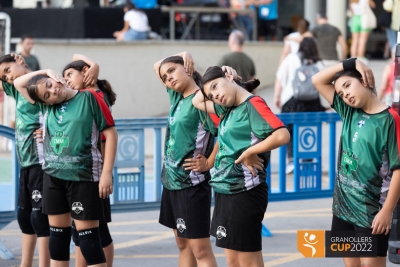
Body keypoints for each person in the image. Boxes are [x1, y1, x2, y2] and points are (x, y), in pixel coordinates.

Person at [14, 68, 118, 267]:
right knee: (58, 240)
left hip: (84, 177)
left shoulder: (90, 97)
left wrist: (107, 173)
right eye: (47, 95)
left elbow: (111, 135)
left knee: (88, 241)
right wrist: (44, 72)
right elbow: (19, 83)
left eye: (50, 85)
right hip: (53, 177)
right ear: (45, 102)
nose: (53, 91)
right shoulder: (47, 108)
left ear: (56, 80)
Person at [192, 66, 289, 267]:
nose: (216, 95)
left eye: (216, 86)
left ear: (229, 77)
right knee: (233, 260)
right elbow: (196, 100)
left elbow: (281, 135)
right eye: (212, 94)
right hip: (225, 190)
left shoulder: (252, 104)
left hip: (245, 191)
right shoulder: (227, 108)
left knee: (248, 261)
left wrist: (250, 152)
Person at [312, 58, 400, 267]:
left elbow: (398, 169)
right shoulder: (349, 112)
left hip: (372, 212)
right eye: (341, 93)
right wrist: (351, 63)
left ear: (366, 80)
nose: (346, 95)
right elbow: (317, 80)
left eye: (348, 86)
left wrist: (387, 210)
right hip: (342, 209)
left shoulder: (390, 119)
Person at [154, 51, 219, 267]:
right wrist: (180, 55)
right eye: (165, 77)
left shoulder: (202, 100)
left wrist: (208, 162)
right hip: (171, 182)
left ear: (187, 68)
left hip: (191, 184)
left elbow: (226, 130)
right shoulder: (176, 96)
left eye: (173, 71)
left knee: (200, 249)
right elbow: (157, 65)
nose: (168, 78)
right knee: (182, 244)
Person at [62, 56, 116, 267]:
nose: (66, 80)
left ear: (85, 72)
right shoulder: (83, 96)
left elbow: (76, 55)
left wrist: (94, 66)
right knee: (86, 230)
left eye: (70, 74)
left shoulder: (93, 95)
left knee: (97, 232)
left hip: (94, 173)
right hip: (86, 172)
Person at [0, 54, 50, 267]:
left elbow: (58, 110)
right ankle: (26, 264)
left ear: (19, 59)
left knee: (41, 218)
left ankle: (45, 264)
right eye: (4, 75)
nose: (7, 77)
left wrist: (49, 130)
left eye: (8, 70)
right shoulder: (15, 89)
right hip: (26, 162)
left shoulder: (40, 85)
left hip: (41, 161)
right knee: (25, 216)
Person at [274, 37, 326, 174]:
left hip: (291, 101)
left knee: (289, 130)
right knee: (310, 130)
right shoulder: (319, 63)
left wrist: (277, 96)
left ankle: (292, 160)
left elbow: (280, 79)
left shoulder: (291, 58)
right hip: (312, 103)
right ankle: (309, 160)